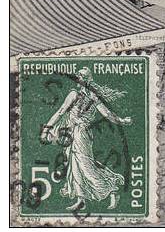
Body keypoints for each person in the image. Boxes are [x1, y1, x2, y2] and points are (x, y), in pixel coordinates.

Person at [41, 67, 132, 211]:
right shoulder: (78, 94)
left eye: (81, 76)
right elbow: (61, 112)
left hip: (81, 133)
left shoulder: (86, 96)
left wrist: (121, 121)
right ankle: (81, 199)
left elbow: (106, 114)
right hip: (73, 132)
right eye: (78, 75)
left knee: (85, 165)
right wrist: (48, 127)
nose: (78, 77)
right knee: (75, 164)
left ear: (86, 80)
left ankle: (112, 189)